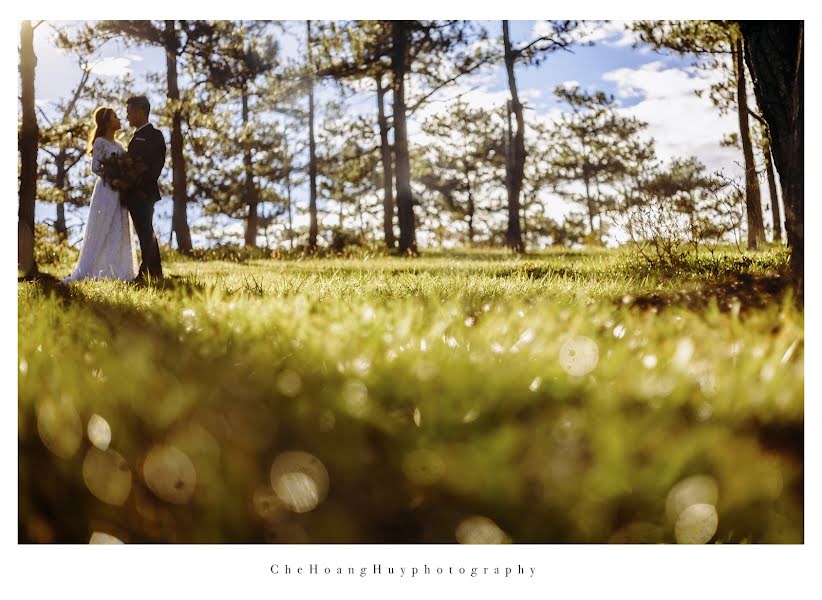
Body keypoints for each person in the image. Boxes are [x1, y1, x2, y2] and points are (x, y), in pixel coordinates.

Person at [63, 107, 138, 283]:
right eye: (115, 116)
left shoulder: (119, 146)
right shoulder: (100, 143)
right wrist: (113, 179)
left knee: (118, 227)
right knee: (103, 226)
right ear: (106, 122)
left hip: (120, 191)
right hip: (106, 189)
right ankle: (94, 268)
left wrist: (124, 178)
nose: (119, 119)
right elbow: (96, 167)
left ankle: (118, 269)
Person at [124, 95, 166, 281]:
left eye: (130, 112)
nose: (128, 117)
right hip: (134, 193)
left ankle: (147, 272)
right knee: (145, 232)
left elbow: (154, 166)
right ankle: (153, 272)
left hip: (144, 192)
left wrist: (140, 186)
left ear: (141, 112)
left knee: (145, 232)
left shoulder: (154, 135)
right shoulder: (136, 136)